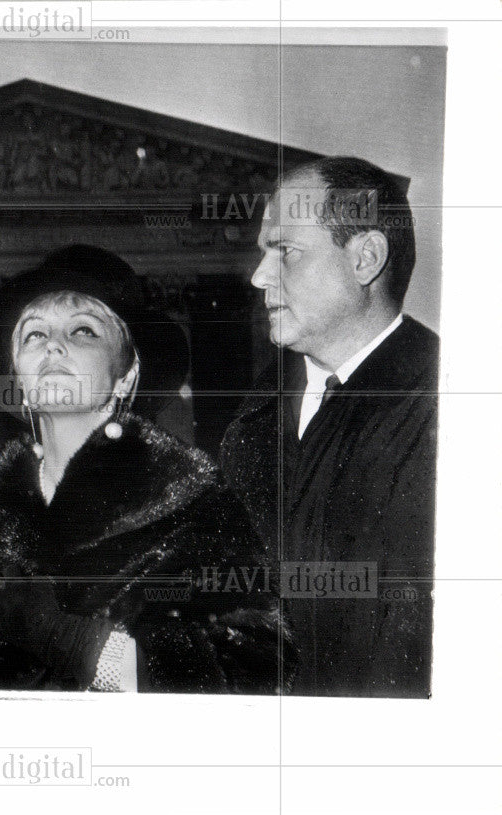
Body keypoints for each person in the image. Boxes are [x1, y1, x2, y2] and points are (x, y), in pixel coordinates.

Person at [0, 245, 293, 693]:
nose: (53, 346)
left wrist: (83, 646)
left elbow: (256, 673)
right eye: (33, 335)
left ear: (126, 376)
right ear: (17, 377)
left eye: (83, 331)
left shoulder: (191, 499)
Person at [220, 156, 438, 697]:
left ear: (365, 258)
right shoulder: (255, 420)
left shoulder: (449, 407)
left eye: (285, 251)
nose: (259, 276)